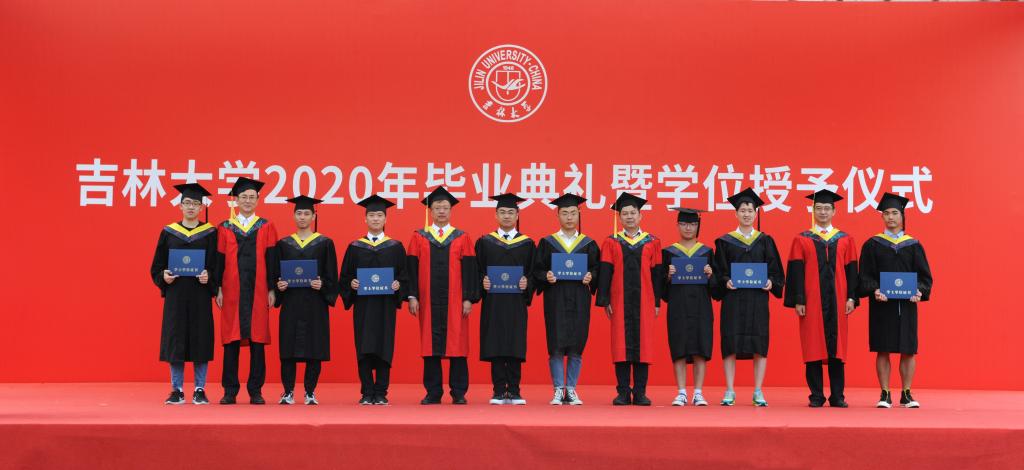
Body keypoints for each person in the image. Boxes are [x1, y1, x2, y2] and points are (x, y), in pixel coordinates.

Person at [783, 190, 859, 408]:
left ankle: (837, 396)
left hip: (838, 300)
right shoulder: (802, 239)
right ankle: (816, 395)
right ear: (813, 211)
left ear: (834, 211)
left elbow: (851, 271)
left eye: (827, 208)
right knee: (813, 346)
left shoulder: (845, 239)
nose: (823, 212)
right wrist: (799, 299)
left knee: (838, 349)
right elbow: (796, 271)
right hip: (811, 301)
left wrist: (851, 297)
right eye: (819, 208)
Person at [857, 192, 933, 409]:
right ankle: (885, 393)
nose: (890, 217)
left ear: (902, 216)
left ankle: (906, 393)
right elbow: (864, 276)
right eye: (886, 213)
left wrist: (919, 291)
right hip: (882, 305)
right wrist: (875, 289)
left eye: (894, 213)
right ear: (882, 217)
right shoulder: (872, 244)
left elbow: (925, 277)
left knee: (908, 350)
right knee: (883, 348)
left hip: (907, 306)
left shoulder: (913, 245)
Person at [406, 186, 480, 405]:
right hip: (427, 300)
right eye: (437, 207)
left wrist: (468, 298)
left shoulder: (462, 237)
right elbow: (411, 268)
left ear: (451, 210)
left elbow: (470, 270)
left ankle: (458, 392)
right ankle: (433, 392)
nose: (441, 211)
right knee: (430, 345)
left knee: (458, 344)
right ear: (430, 211)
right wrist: (412, 296)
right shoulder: (419, 236)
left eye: (445, 207)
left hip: (456, 301)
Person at [713, 187, 784, 407]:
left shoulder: (765, 241)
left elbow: (776, 271)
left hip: (758, 301)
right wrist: (726, 281)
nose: (746, 214)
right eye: (742, 210)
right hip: (733, 301)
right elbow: (718, 271)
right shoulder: (725, 242)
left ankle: (758, 390)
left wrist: (771, 282)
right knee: (730, 342)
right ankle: (730, 390)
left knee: (759, 343)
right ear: (736, 213)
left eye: (750, 210)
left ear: (756, 213)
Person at [151, 183, 218, 405]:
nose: (191, 207)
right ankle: (177, 389)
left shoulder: (210, 233)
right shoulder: (168, 232)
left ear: (201, 207)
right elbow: (157, 266)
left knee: (201, 339)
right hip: (176, 295)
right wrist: (164, 276)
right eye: (187, 203)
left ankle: (200, 389)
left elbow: (217, 265)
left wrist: (210, 276)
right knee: (176, 339)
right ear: (180, 206)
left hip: (200, 295)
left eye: (195, 203)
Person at [268, 196, 339, 405]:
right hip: (291, 303)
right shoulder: (283, 244)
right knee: (288, 349)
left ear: (314, 216)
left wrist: (322, 285)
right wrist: (279, 286)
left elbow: (332, 277)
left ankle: (310, 392)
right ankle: (288, 391)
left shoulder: (325, 243)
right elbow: (276, 274)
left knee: (314, 349)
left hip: (315, 304)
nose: (302, 217)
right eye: (299, 213)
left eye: (307, 213)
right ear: (293, 216)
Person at [532, 193, 600, 406]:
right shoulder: (547, 243)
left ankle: (571, 389)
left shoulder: (589, 243)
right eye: (564, 213)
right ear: (557, 215)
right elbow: (536, 270)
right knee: (556, 343)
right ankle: (558, 389)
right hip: (556, 298)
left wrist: (591, 276)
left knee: (576, 343)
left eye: (573, 213)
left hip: (580, 298)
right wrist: (546, 276)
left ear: (579, 215)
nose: (569, 217)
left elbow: (597, 269)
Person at [339, 195, 407, 405]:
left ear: (385, 219)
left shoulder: (395, 247)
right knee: (364, 347)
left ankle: (381, 392)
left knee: (384, 346)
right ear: (365, 219)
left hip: (385, 306)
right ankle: (367, 392)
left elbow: (404, 276)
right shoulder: (355, 247)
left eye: (379, 215)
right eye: (372, 215)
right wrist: (351, 284)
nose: (375, 219)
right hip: (364, 307)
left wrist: (398, 285)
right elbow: (345, 277)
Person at [596, 193, 662, 406]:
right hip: (619, 300)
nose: (629, 216)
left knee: (644, 345)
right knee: (620, 345)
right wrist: (604, 299)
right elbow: (605, 271)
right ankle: (623, 392)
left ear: (641, 216)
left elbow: (657, 274)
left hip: (645, 300)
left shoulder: (653, 242)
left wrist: (657, 301)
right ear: (619, 217)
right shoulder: (611, 242)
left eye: (633, 213)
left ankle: (640, 392)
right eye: (625, 213)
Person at [216, 176, 278, 405]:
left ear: (258, 200)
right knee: (231, 340)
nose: (248, 201)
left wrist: (272, 288)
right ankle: (230, 390)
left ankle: (255, 390)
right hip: (231, 290)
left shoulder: (266, 226)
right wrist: (218, 288)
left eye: (252, 197)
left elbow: (272, 260)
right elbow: (218, 261)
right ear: (236, 200)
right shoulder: (224, 227)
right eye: (244, 197)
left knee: (257, 340)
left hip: (258, 290)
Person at [476, 193, 535, 405]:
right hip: (493, 303)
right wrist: (482, 282)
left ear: (517, 215)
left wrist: (527, 282)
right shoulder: (485, 242)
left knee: (515, 344)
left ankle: (515, 391)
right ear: (496, 215)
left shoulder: (527, 244)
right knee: (496, 343)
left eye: (511, 212)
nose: (507, 216)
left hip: (516, 303)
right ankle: (499, 390)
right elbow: (477, 270)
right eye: (502, 212)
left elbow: (533, 272)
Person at [661, 207, 719, 407]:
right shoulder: (668, 253)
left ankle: (698, 392)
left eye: (693, 224)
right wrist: (668, 276)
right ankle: (681, 392)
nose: (688, 228)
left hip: (701, 307)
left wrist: (711, 275)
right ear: (677, 225)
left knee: (700, 348)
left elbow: (716, 290)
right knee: (679, 346)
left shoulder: (707, 252)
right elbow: (662, 290)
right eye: (684, 223)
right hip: (678, 307)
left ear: (698, 226)